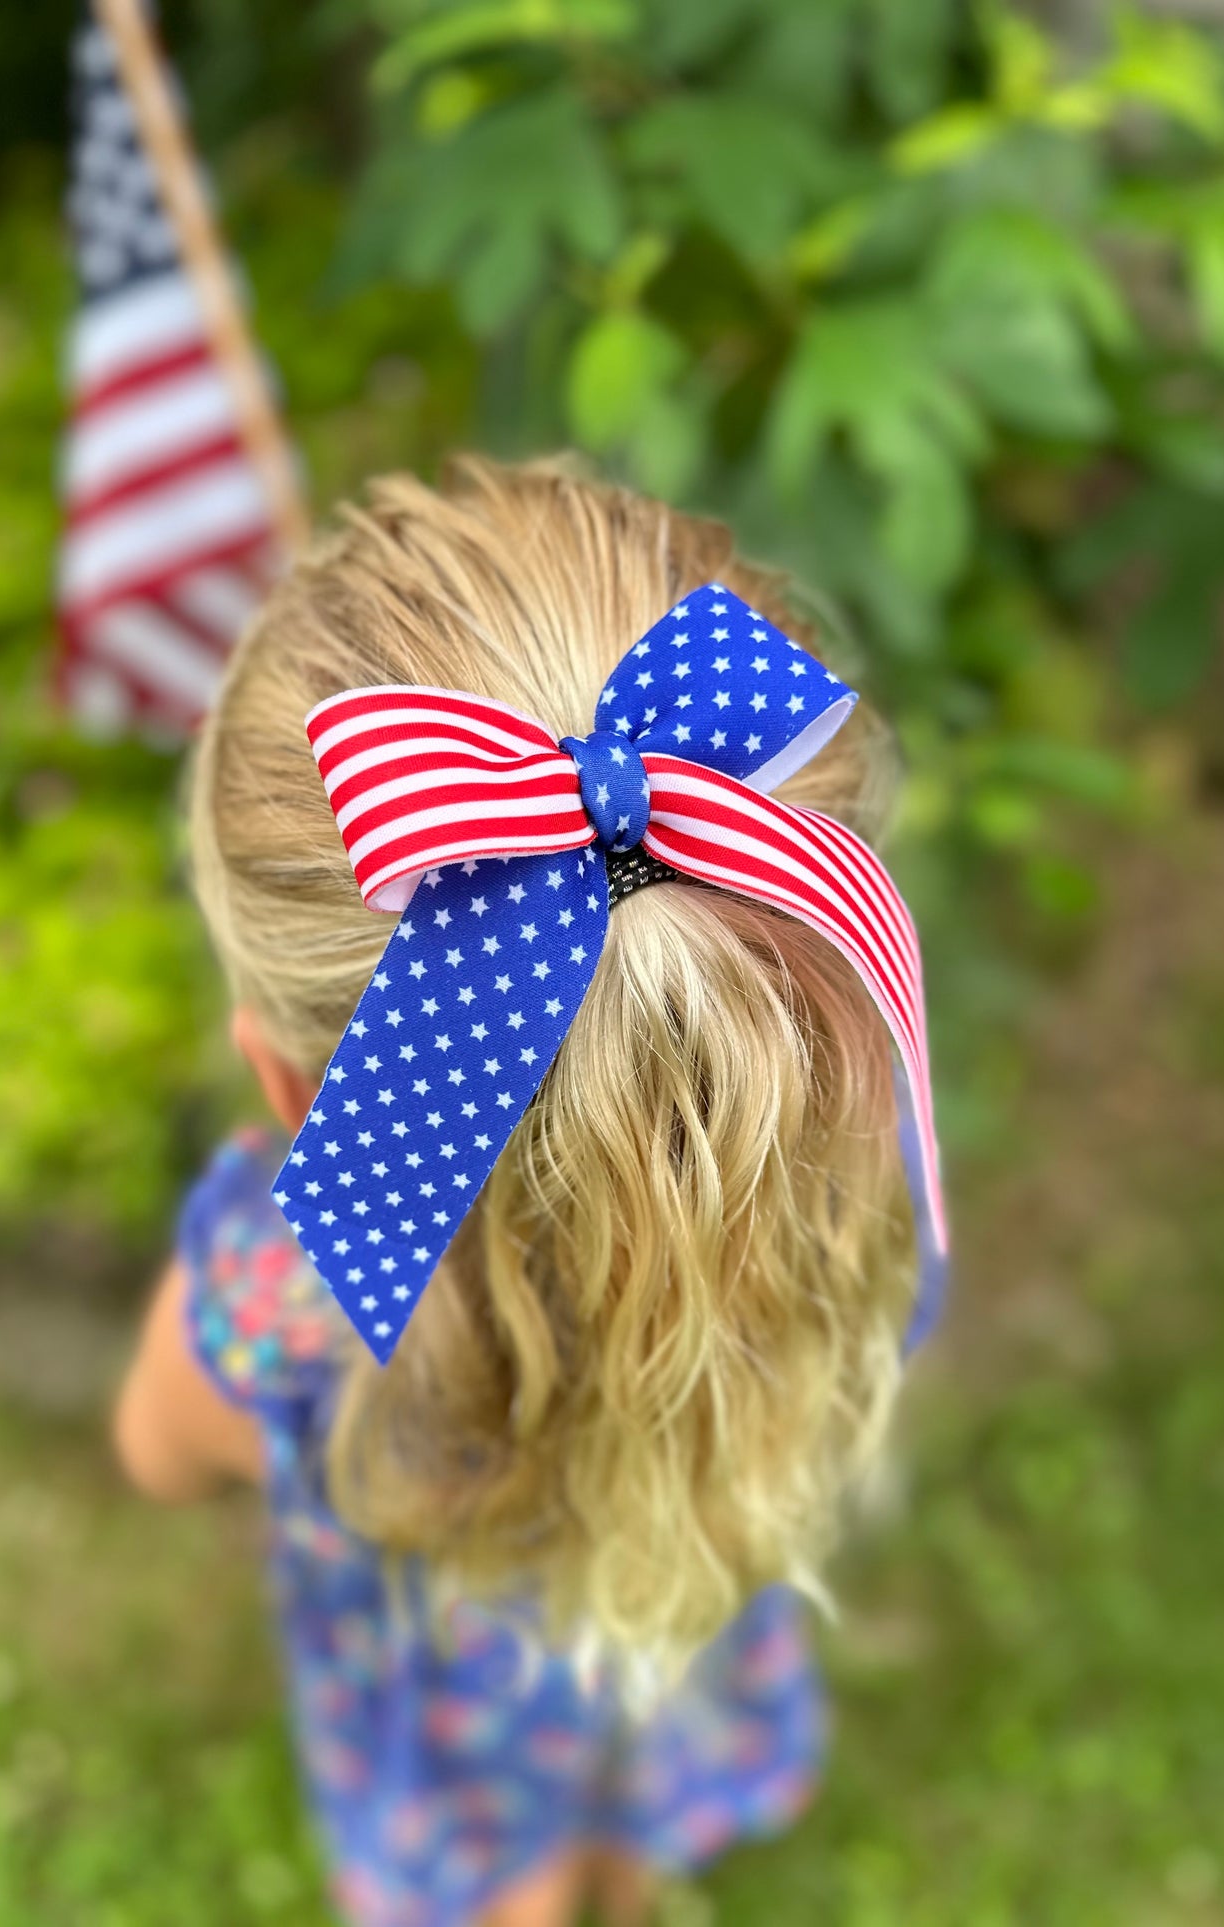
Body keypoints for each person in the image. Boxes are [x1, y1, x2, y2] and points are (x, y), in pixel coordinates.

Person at [114, 457, 944, 1927]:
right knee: (636, 1748)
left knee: (499, 1880)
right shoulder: (836, 1181)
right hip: (690, 1574)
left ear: (291, 1088)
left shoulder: (272, 1297)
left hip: (446, 1733)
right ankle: (627, 1866)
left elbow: (156, 1457)